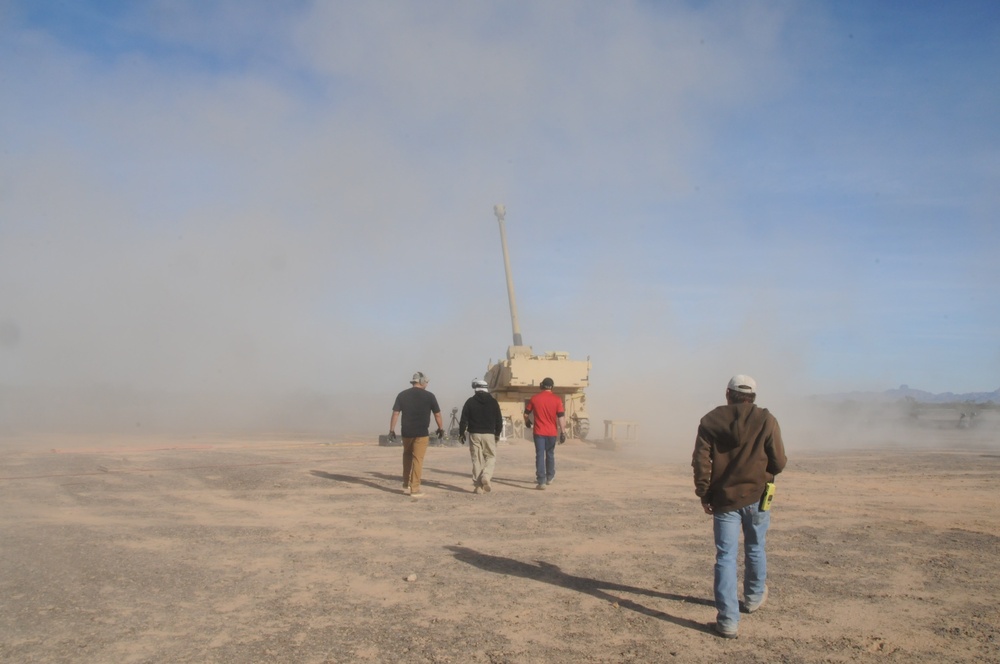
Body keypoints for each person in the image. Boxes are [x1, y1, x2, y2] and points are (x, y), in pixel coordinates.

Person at [692, 374, 787, 639]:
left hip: (723, 501)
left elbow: (701, 461)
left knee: (725, 557)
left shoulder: (710, 421)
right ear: (753, 397)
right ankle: (754, 598)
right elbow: (778, 461)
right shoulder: (767, 420)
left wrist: (703, 492)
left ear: (728, 394)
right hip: (758, 497)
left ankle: (728, 621)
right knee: (756, 547)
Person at [388, 372, 444, 498]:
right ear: (422, 381)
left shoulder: (402, 395)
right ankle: (415, 488)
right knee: (418, 459)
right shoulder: (430, 396)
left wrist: (391, 430)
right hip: (421, 433)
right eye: (427, 382)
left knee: (407, 455)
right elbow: (437, 414)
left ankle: (405, 482)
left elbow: (395, 413)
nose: (427, 384)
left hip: (406, 432)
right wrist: (441, 428)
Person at [458, 379, 504, 494]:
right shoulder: (493, 402)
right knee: (491, 457)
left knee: (476, 460)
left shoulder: (470, 402)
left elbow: (463, 420)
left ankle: (478, 486)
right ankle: (486, 476)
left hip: (474, 434)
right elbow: (499, 420)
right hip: (489, 434)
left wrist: (461, 433)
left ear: (476, 389)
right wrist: (497, 434)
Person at [524, 377, 566, 490]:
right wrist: (563, 432)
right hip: (552, 432)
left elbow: (526, 414)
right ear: (552, 387)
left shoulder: (534, 398)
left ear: (542, 385)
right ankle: (550, 477)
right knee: (550, 454)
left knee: (540, 455)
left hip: (539, 432)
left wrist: (527, 423)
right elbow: (561, 417)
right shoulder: (557, 400)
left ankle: (541, 481)